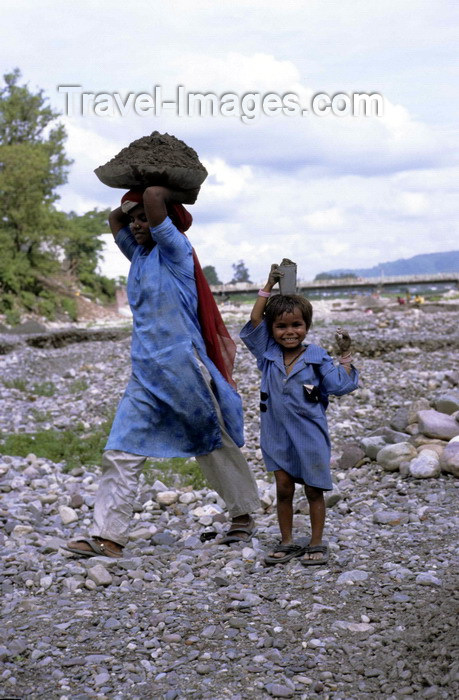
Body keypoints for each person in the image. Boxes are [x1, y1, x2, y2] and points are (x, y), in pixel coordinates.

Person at [66, 186, 260, 558]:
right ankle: (108, 536)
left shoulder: (175, 251)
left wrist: (154, 186)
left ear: (165, 221)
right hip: (145, 372)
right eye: (135, 219)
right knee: (120, 450)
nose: (137, 225)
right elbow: (114, 218)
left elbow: (155, 197)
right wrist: (132, 200)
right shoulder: (138, 255)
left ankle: (244, 515)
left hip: (183, 369)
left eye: (144, 219)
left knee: (212, 442)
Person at [240, 265, 359, 566]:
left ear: (306, 326)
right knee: (283, 487)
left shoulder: (317, 357)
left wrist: (345, 356)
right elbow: (255, 320)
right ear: (272, 331)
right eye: (281, 327)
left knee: (314, 488)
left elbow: (338, 385)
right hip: (275, 433)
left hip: (310, 433)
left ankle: (316, 542)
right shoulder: (267, 354)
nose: (289, 332)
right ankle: (287, 541)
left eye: (296, 325)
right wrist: (268, 284)